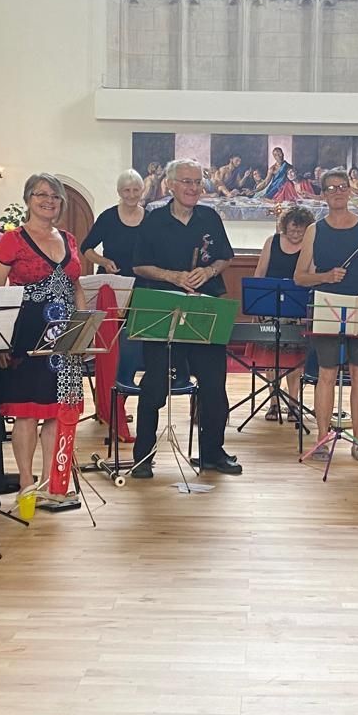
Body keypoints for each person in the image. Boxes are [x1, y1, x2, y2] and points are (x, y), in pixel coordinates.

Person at [128, 158, 239, 478]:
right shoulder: (153, 219)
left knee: (214, 386)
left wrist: (209, 271)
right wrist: (174, 277)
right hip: (164, 308)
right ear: (171, 185)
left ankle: (212, 454)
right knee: (153, 386)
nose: (193, 188)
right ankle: (143, 456)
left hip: (205, 309)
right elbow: (139, 265)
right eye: (187, 182)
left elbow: (225, 257)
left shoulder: (210, 217)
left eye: (198, 182)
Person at [0, 174, 86, 510]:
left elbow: (76, 286)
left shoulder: (69, 240)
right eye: (41, 194)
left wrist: (82, 330)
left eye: (55, 196)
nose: (49, 201)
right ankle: (26, 483)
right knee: (27, 413)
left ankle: (50, 483)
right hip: (27, 335)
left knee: (58, 412)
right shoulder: (12, 240)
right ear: (28, 199)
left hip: (65, 339)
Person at [295, 169, 358, 459]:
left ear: (349, 191)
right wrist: (325, 277)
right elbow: (300, 276)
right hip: (328, 306)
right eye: (331, 188)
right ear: (323, 195)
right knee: (327, 373)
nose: (337, 192)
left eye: (342, 187)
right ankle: (322, 439)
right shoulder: (315, 230)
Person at [81, 169, 149, 441]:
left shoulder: (150, 218)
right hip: (111, 289)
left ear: (142, 191)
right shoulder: (108, 217)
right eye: (126, 191)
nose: (131, 195)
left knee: (132, 349)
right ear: (119, 192)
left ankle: (119, 404)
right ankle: (106, 407)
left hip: (141, 288)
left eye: (135, 190)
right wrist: (104, 261)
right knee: (109, 348)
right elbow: (86, 248)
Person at [252, 205, 317, 422]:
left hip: (297, 310)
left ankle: (293, 404)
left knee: (294, 360)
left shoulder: (311, 247)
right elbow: (260, 273)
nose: (296, 234)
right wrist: (256, 307)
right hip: (269, 307)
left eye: (300, 231)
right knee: (272, 358)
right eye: (292, 230)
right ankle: (273, 403)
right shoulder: (272, 242)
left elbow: (312, 277)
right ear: (285, 227)